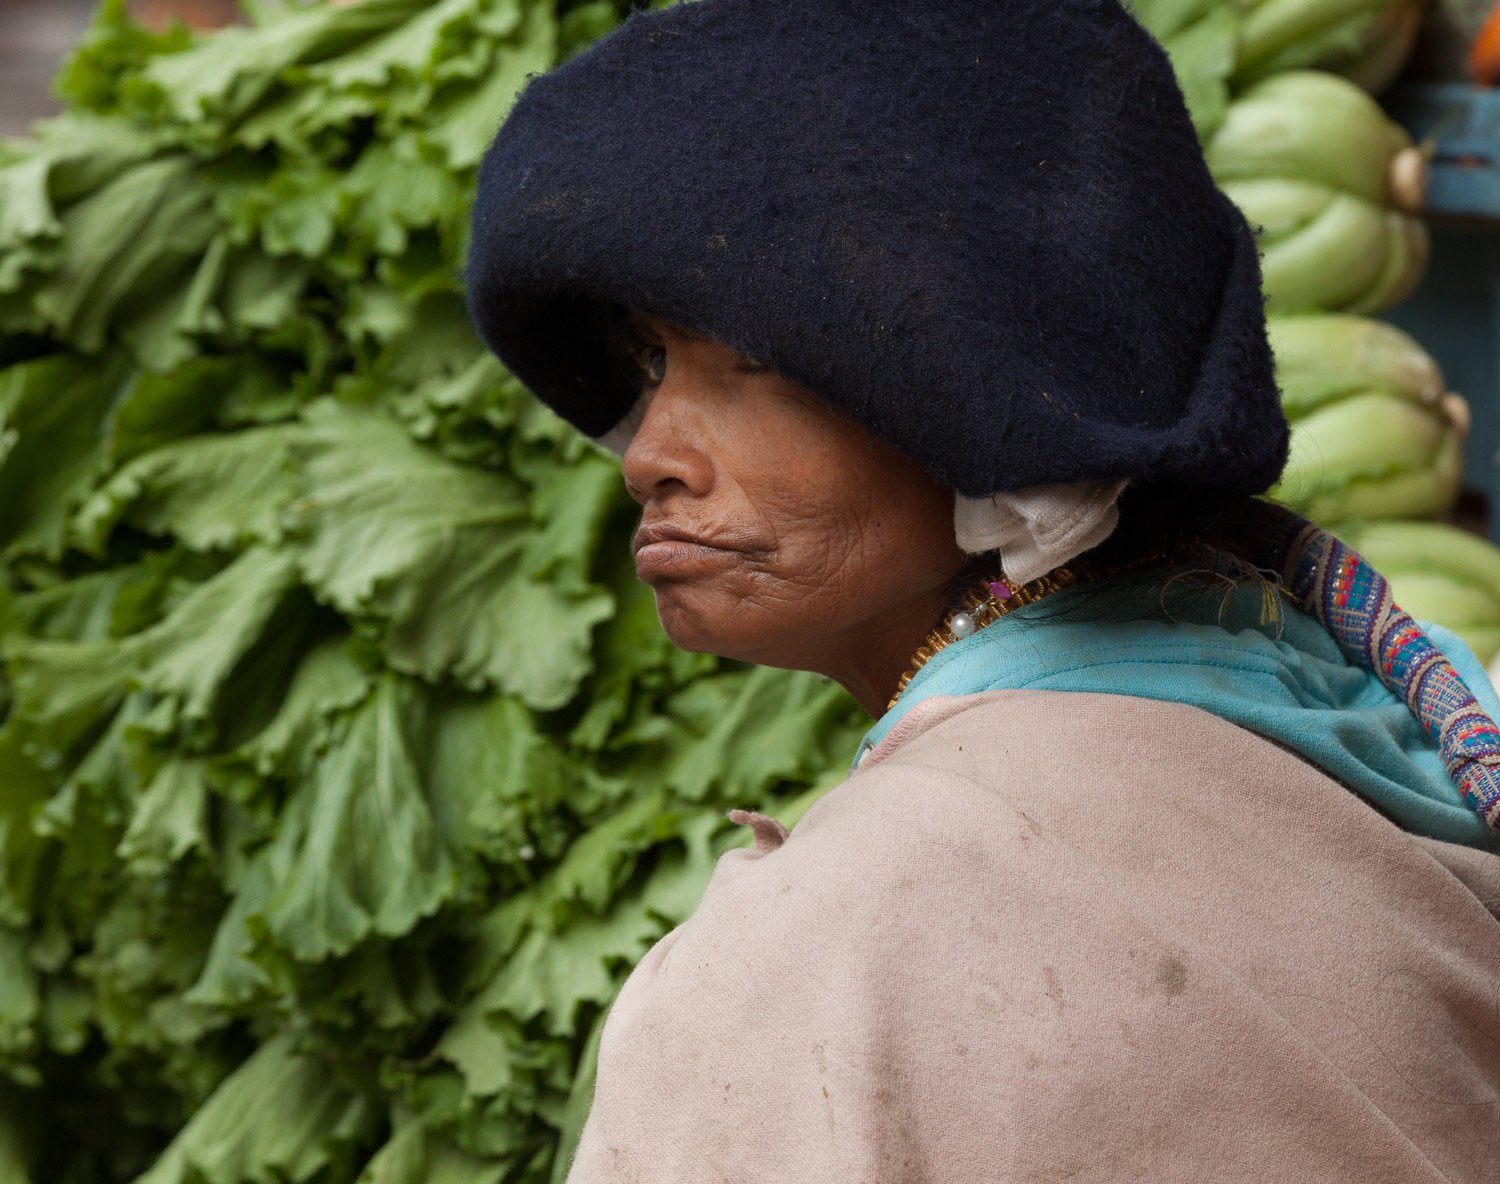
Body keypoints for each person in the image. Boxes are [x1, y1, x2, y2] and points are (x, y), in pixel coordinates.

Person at [466, 1, 1500, 1178]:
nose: (649, 447)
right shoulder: (1338, 706)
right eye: (652, 362)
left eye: (746, 360)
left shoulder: (821, 957)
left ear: (978, 386)